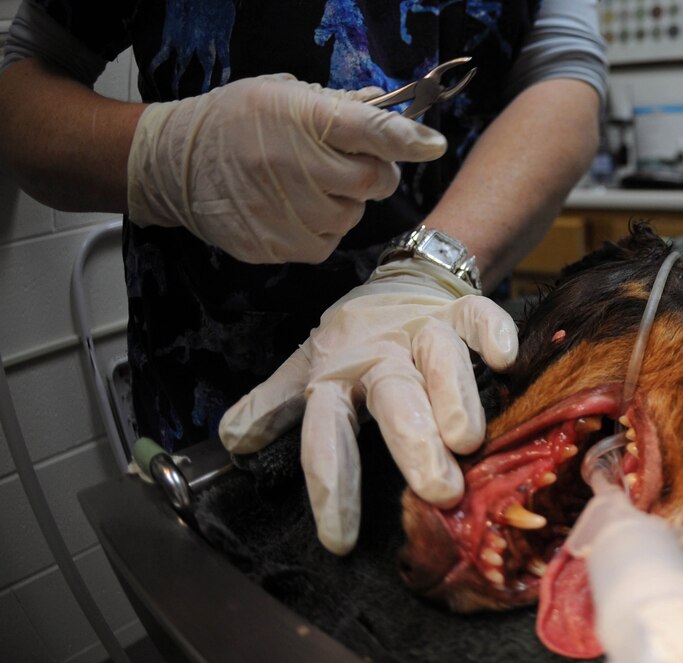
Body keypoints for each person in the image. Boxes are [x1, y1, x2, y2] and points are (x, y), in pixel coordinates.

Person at [0, 0, 607, 554]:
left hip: (439, 355)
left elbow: (565, 73)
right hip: (213, 408)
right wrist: (164, 156)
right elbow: (24, 76)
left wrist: (433, 265)